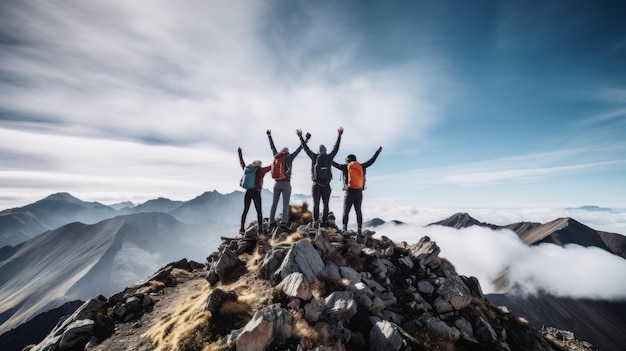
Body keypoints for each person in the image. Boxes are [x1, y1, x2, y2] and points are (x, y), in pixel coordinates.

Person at [332, 146, 383, 241]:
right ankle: (359, 230)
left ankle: (344, 229)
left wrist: (326, 158)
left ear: (348, 161)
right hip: (359, 192)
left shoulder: (345, 167)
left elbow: (333, 163)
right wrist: (377, 152)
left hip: (349, 192)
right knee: (358, 211)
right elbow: (371, 161)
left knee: (346, 211)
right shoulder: (361, 166)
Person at [296, 127, 343, 228]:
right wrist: (339, 136)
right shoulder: (330, 157)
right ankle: (324, 222)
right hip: (326, 185)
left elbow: (305, 148)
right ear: (325, 151)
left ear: (318, 151)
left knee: (316, 204)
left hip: (316, 185)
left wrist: (301, 137)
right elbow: (336, 148)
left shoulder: (314, 157)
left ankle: (316, 222)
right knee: (326, 204)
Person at [266, 129, 309, 232]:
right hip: (286, 183)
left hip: (276, 183)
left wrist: (269, 136)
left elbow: (272, 147)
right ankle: (283, 222)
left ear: (281, 151)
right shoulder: (289, 156)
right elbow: (299, 149)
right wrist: (305, 140)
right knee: (285, 204)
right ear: (287, 151)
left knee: (274, 203)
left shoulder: (276, 156)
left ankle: (271, 222)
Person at [238, 147, 271, 235]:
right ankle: (260, 230)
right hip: (256, 192)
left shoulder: (247, 169)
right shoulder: (260, 170)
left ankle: (241, 228)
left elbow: (242, 163)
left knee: (245, 210)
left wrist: (239, 153)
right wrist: (277, 160)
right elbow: (270, 167)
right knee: (259, 211)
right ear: (259, 165)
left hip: (247, 192)